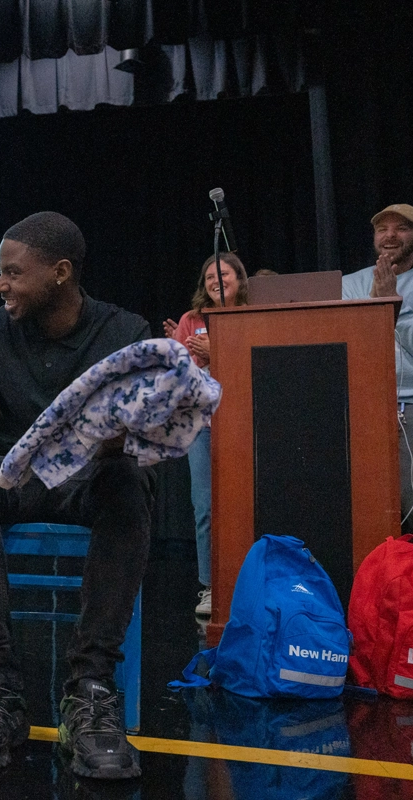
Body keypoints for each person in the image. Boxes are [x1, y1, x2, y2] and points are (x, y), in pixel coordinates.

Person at [0, 211, 152, 779]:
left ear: (60, 273)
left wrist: (120, 435)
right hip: (17, 475)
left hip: (89, 476)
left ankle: (89, 688)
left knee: (130, 484)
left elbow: (133, 432)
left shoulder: (124, 331)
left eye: (12, 273)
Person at [342, 204, 413, 550]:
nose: (389, 236)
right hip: (365, 403)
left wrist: (393, 304)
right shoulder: (351, 283)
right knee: (368, 507)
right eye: (382, 229)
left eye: (400, 228)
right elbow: (348, 344)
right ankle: (382, 584)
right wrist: (374, 308)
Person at [163, 253, 249, 616]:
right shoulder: (191, 320)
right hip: (202, 427)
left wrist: (220, 353)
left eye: (224, 273)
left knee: (246, 504)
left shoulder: (254, 314)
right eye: (209, 275)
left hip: (244, 423)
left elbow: (259, 364)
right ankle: (210, 587)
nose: (216, 280)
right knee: (205, 507)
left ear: (240, 279)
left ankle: (249, 583)